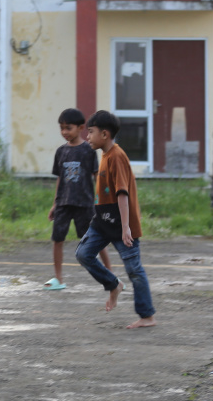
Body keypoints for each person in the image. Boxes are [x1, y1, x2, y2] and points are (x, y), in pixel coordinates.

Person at [75, 110, 156, 329]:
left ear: (105, 134)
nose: (87, 137)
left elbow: (122, 193)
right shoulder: (104, 155)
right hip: (102, 221)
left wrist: (126, 227)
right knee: (83, 254)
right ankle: (113, 284)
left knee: (134, 270)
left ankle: (147, 316)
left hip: (122, 224)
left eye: (90, 132)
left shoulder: (117, 156)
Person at [45, 108, 112, 290]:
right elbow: (60, 178)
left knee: (95, 239)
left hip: (84, 203)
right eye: (61, 128)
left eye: (68, 128)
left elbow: (97, 176)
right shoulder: (60, 152)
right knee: (57, 239)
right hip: (64, 203)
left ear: (81, 128)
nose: (64, 132)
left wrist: (102, 200)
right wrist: (55, 203)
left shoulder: (88, 150)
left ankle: (110, 275)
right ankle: (58, 278)